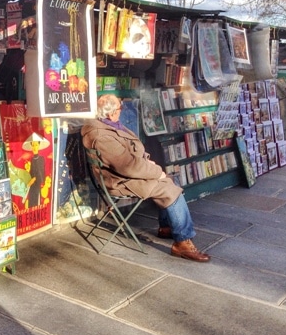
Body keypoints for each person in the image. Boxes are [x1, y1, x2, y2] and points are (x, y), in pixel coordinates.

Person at [81, 94, 210, 262]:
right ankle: (182, 242)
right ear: (112, 113)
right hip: (120, 181)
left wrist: (152, 168)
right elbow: (128, 166)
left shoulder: (107, 125)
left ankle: (166, 227)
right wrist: (156, 172)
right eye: (120, 108)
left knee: (170, 181)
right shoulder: (102, 135)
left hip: (125, 174)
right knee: (170, 188)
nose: (121, 111)